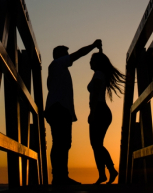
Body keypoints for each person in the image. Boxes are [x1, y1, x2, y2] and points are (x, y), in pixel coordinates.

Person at [45, 39, 102, 185]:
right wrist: (92, 46)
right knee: (60, 143)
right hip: (58, 109)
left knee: (62, 143)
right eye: (65, 52)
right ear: (58, 54)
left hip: (57, 109)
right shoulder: (57, 64)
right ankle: (60, 177)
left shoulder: (58, 70)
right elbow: (79, 54)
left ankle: (60, 176)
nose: (68, 54)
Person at [87, 51, 124, 184]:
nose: (90, 63)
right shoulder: (99, 74)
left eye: (92, 61)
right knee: (96, 144)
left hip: (99, 111)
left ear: (98, 63)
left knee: (96, 144)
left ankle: (110, 171)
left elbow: (95, 95)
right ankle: (104, 174)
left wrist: (92, 113)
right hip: (102, 111)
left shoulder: (98, 74)